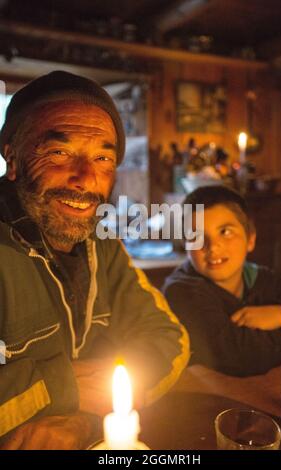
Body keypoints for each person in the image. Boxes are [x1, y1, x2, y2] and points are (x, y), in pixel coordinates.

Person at [0, 71, 190, 449]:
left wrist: (83, 420)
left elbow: (171, 341)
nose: (86, 179)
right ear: (13, 157)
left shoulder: (101, 244)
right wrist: (64, 384)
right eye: (60, 152)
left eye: (103, 157)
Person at [163, 185, 281, 377]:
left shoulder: (265, 279)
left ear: (250, 239)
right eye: (197, 236)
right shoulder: (181, 292)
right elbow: (242, 357)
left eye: (225, 232)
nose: (213, 247)